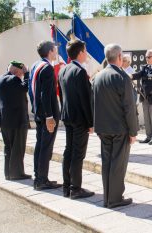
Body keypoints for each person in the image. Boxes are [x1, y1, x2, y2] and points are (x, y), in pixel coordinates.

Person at [92, 43, 138, 208]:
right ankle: (115, 198)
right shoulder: (122, 77)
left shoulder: (97, 77)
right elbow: (129, 107)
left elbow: (93, 103)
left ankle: (108, 197)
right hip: (119, 128)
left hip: (103, 128)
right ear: (119, 57)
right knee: (118, 164)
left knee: (107, 163)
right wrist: (133, 131)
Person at [58, 39, 95, 199]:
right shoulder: (80, 72)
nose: (86, 53)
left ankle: (67, 186)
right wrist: (91, 123)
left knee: (69, 152)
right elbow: (85, 100)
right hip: (80, 119)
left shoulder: (63, 70)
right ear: (80, 53)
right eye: (85, 50)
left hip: (67, 116)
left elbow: (61, 96)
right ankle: (75, 189)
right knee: (78, 154)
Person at [29, 41, 62, 190]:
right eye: (55, 50)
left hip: (38, 113)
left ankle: (39, 177)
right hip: (47, 115)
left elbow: (32, 91)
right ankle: (42, 180)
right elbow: (45, 94)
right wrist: (49, 116)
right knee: (46, 147)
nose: (56, 52)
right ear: (50, 51)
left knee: (40, 145)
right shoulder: (47, 68)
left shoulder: (35, 66)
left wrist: (37, 111)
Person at [0, 61, 32, 180]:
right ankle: (17, 174)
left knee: (8, 147)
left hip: (4, 120)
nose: (21, 76)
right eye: (21, 73)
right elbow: (26, 87)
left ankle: (8, 173)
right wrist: (27, 74)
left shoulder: (0, 79)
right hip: (17, 120)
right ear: (17, 71)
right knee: (18, 148)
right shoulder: (14, 79)